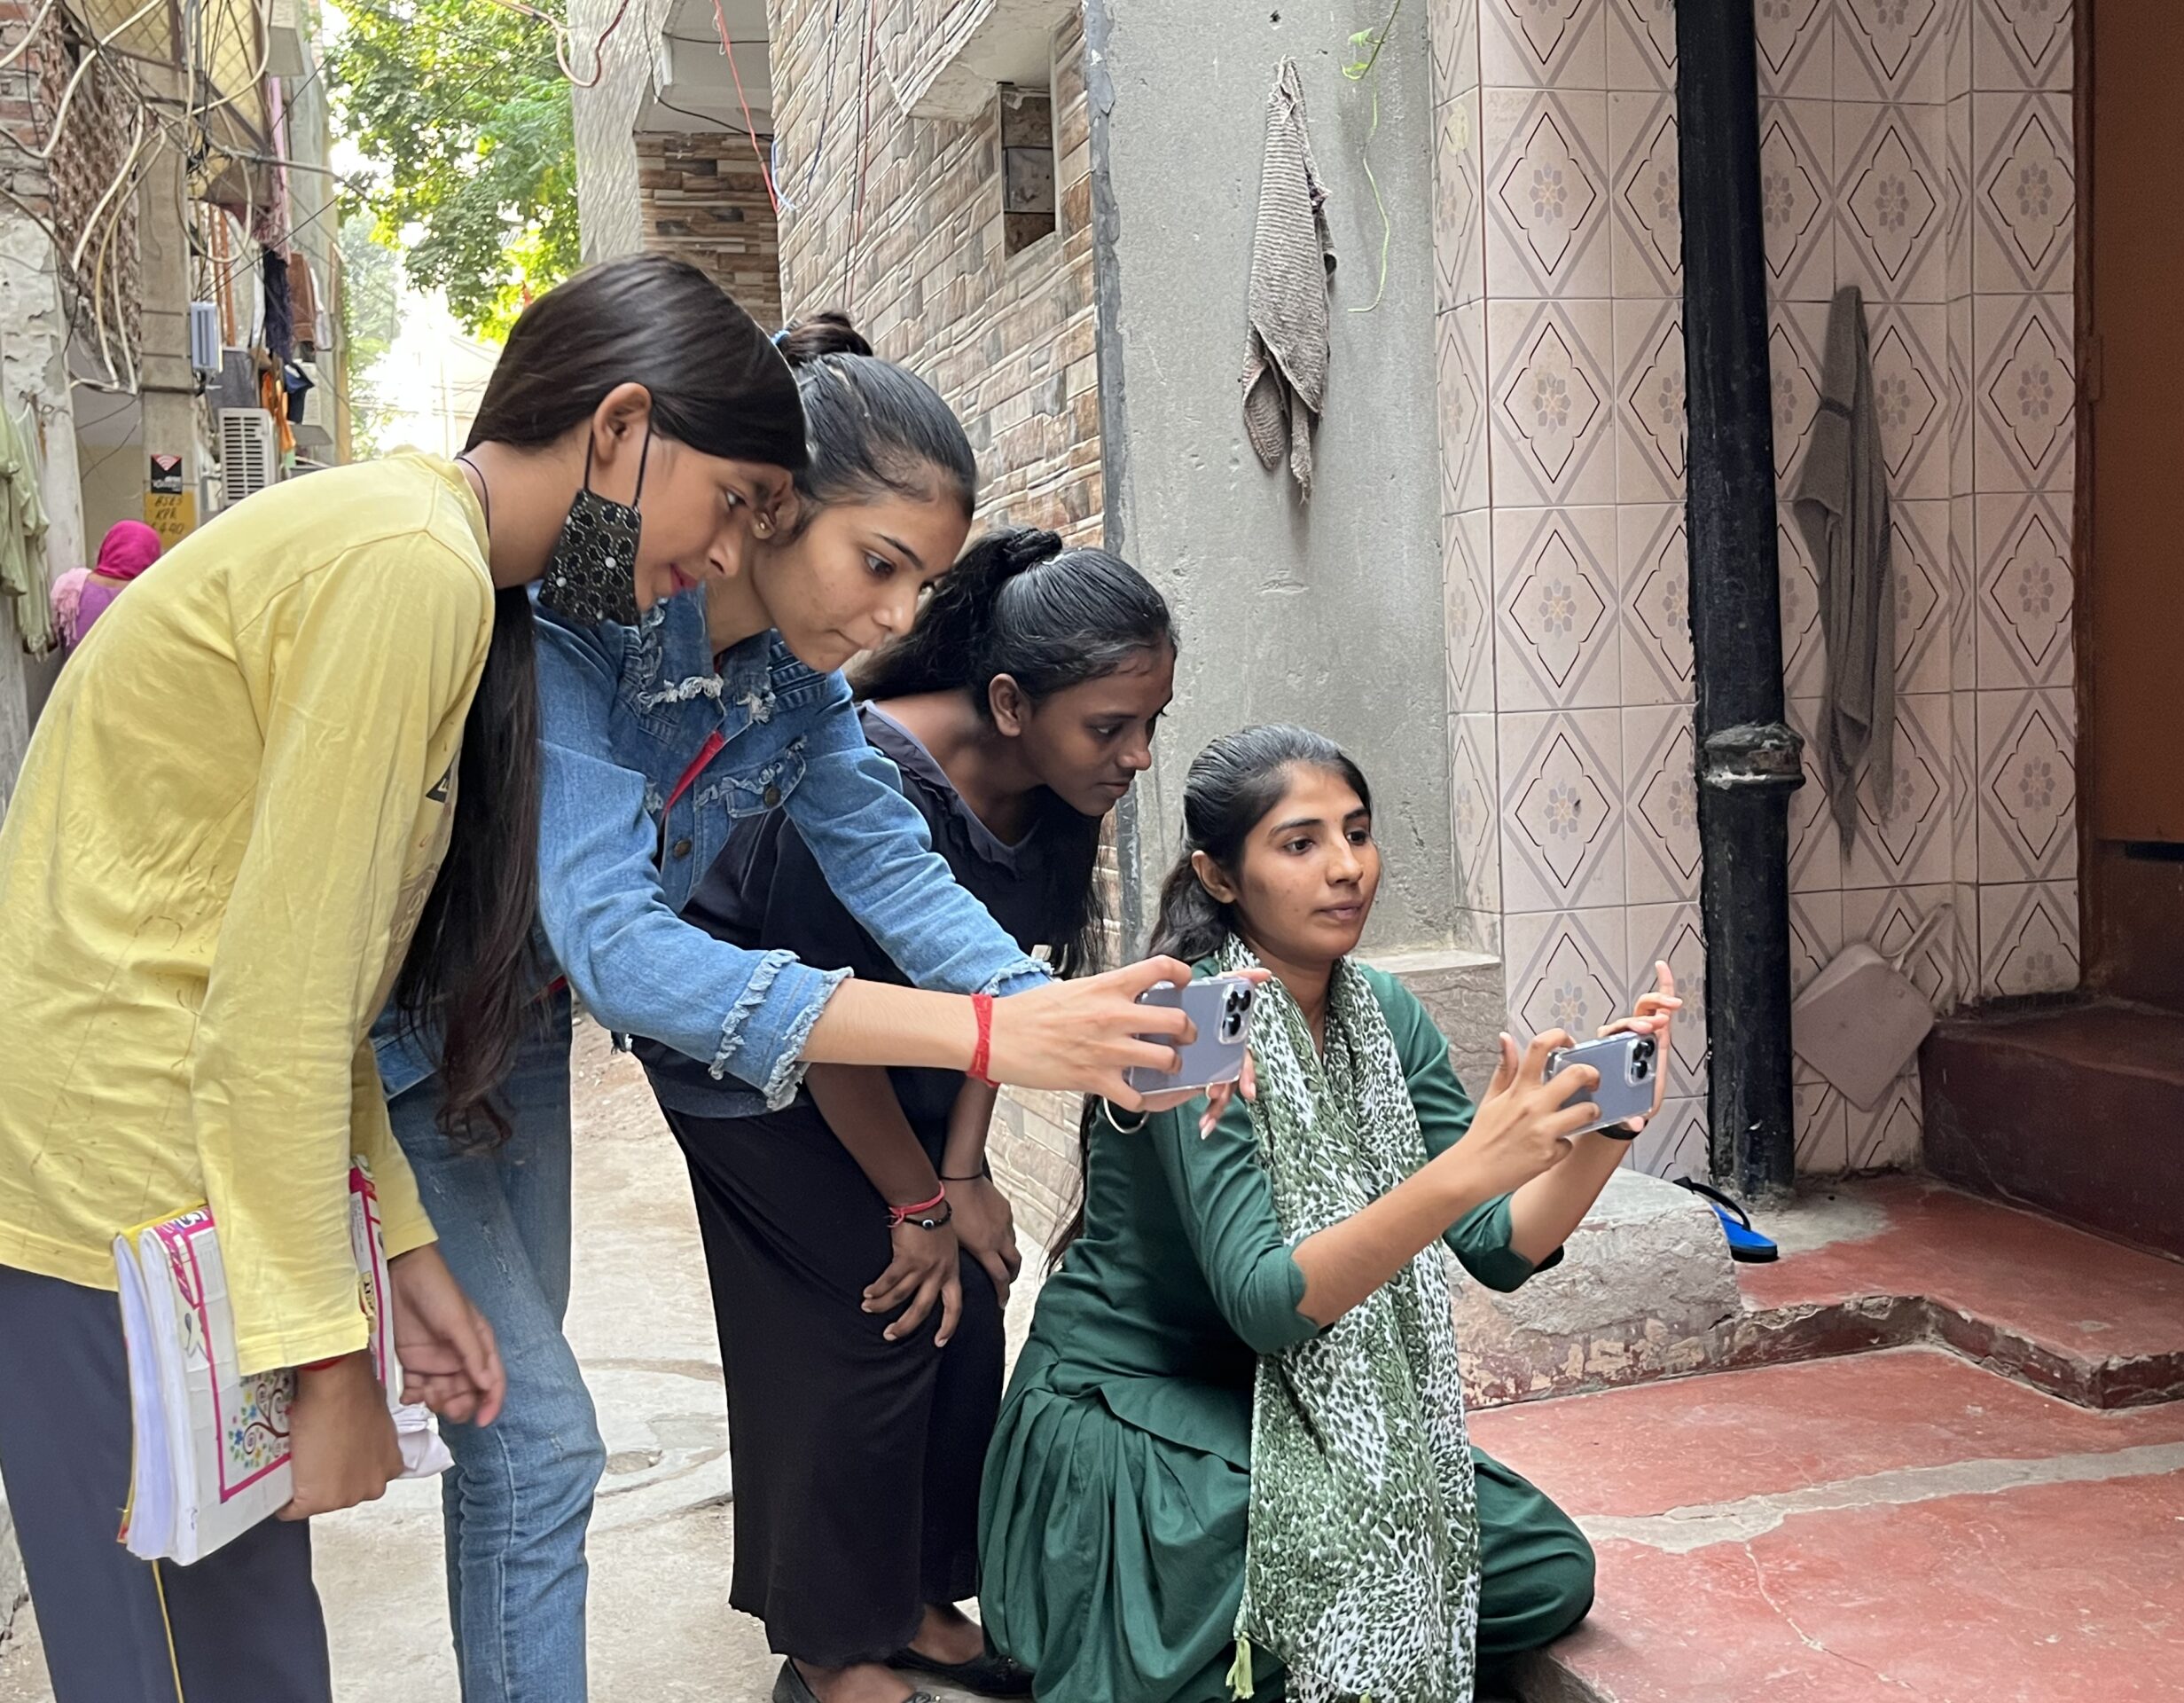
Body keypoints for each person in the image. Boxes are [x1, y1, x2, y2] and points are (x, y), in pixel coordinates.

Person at [0, 246, 813, 1699]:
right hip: (114, 1191)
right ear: (621, 429)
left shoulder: (430, 562)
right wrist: (325, 1352)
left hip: (169, 1187)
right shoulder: (412, 570)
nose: (731, 557)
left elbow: (322, 980)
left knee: (248, 1656)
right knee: (181, 1668)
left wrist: (414, 1253)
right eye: (733, 504)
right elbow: (277, 1001)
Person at [376, 308, 1211, 1703]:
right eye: (875, 565)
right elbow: (627, 956)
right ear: (763, 503)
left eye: (919, 584)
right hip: (423, 1038)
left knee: (511, 1413)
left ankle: (879, 1614)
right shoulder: (578, 630)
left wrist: (1055, 1010)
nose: (894, 619)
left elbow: (896, 872)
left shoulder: (799, 690)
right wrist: (986, 1039)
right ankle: (828, 1645)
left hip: (518, 1032)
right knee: (546, 1439)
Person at [979, 725, 1681, 1703]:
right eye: (1300, 843)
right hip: (1142, 1410)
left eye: (1357, 833)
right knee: (1339, 1560)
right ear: (1219, 877)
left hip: (1308, 1407)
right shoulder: (1194, 1039)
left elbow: (1498, 1246)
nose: (1346, 869)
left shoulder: (1384, 1013)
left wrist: (1601, 1128)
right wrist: (1472, 1164)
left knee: (1542, 1567)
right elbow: (1267, 1303)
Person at [641, 525, 1178, 1703]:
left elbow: (1006, 985)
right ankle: (831, 1648)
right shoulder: (869, 776)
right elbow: (820, 1030)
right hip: (753, 1063)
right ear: (1007, 699)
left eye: (1153, 725)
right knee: (866, 1316)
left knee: (966, 1305)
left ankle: (918, 1603)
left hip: (902, 1058)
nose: (1137, 757)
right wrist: (918, 1201)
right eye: (1110, 727)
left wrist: (970, 1176)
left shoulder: (1057, 786)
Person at [53, 518, 163, 650]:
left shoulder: (72, 587)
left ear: (108, 547)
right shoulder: (152, 599)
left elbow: (54, 637)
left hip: (77, 670)